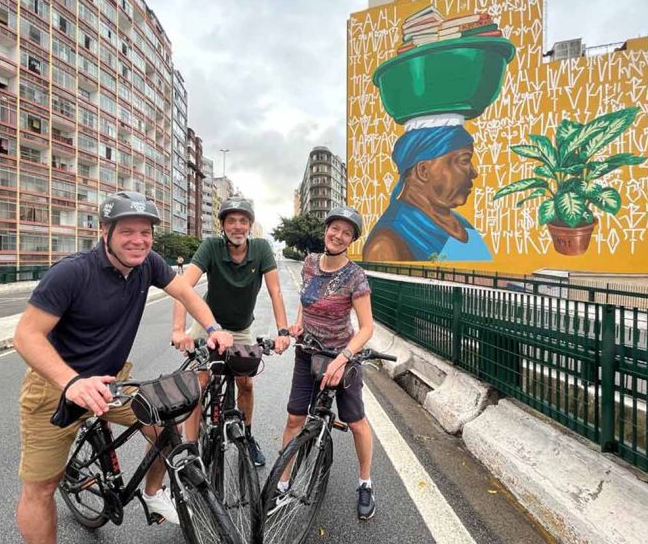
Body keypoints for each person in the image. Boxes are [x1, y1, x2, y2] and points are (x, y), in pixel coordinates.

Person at [13, 191, 233, 544]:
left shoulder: (148, 265)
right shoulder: (72, 273)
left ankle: (152, 495)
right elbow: (26, 336)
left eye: (146, 232)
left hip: (112, 382)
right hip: (56, 387)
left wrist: (213, 328)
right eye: (128, 231)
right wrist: (71, 382)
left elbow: (183, 289)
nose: (139, 240)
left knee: (165, 428)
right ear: (104, 232)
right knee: (41, 487)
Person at [172, 197, 291, 466]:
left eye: (243, 221)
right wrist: (179, 330)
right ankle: (191, 449)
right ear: (223, 225)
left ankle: (246, 436)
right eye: (231, 221)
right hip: (208, 323)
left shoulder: (261, 249)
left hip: (240, 328)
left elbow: (275, 291)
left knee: (246, 382)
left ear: (250, 225)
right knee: (199, 384)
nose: (237, 226)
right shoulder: (211, 247)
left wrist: (283, 331)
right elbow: (182, 288)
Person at [281, 206, 378, 520]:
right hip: (307, 352)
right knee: (295, 419)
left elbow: (366, 328)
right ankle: (282, 484)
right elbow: (305, 301)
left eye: (346, 232)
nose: (338, 235)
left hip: (342, 356)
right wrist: (298, 324)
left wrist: (342, 359)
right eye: (334, 228)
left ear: (351, 239)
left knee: (355, 421)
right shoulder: (310, 263)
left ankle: (365, 482)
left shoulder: (355, 276)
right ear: (326, 230)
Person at [362, 124, 492, 262]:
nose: (474, 173)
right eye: (464, 160)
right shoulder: (386, 245)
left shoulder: (462, 224)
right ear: (423, 170)